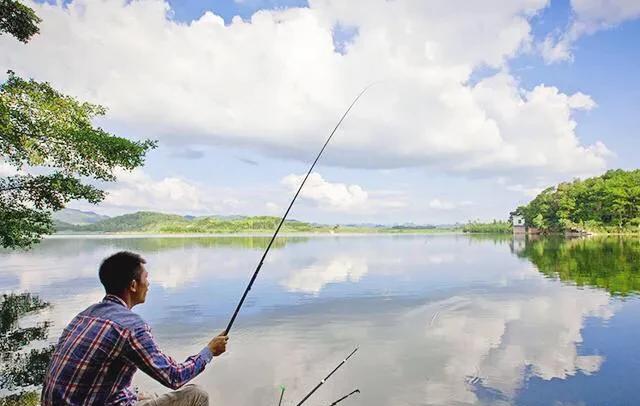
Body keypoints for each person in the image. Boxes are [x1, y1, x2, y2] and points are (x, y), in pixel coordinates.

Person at [41, 251, 228, 405]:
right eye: (146, 278)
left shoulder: (84, 315)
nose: (148, 284)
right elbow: (174, 377)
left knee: (145, 394)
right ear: (133, 285)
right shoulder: (130, 327)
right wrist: (209, 351)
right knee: (196, 395)